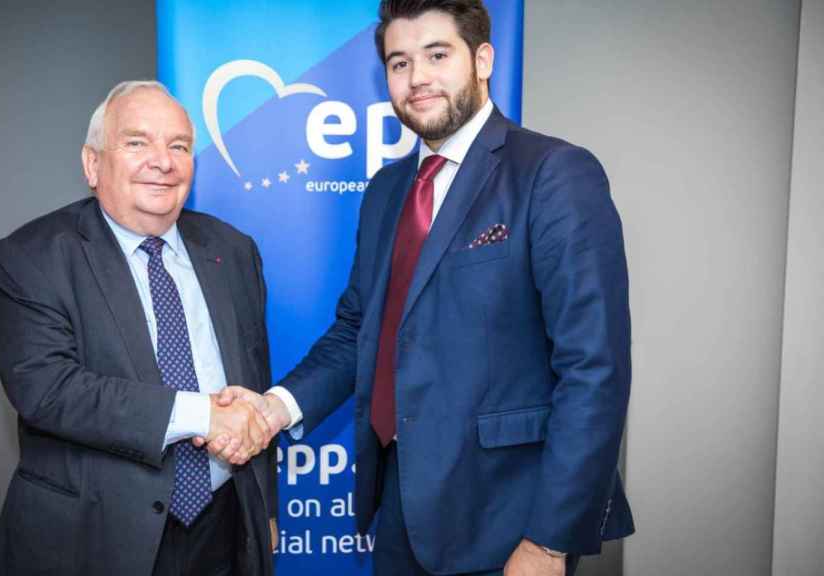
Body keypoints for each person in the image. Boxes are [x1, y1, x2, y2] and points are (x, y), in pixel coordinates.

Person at [208, 1, 635, 574]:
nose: (418, 79)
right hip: (401, 511)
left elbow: (594, 369)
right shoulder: (387, 190)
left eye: (438, 55)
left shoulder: (553, 173)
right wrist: (272, 408)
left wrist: (549, 542)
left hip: (508, 523)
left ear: (483, 59)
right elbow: (360, 330)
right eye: (400, 63)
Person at [0, 80, 277, 576]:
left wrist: (263, 506)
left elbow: (252, 379)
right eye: (137, 142)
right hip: (93, 535)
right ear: (92, 164)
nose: (162, 161)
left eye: (179, 146)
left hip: (223, 526)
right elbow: (48, 391)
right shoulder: (33, 256)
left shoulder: (233, 250)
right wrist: (202, 415)